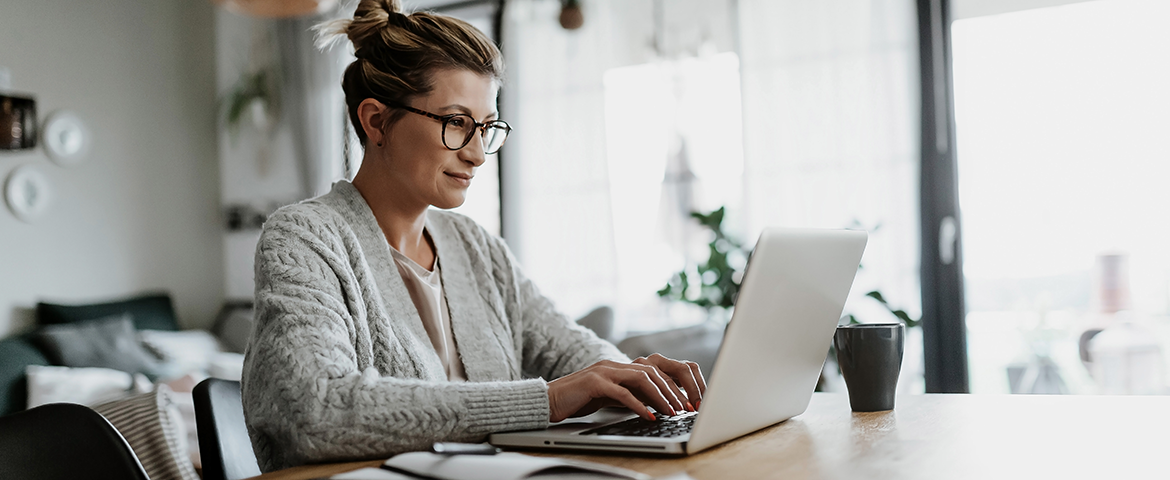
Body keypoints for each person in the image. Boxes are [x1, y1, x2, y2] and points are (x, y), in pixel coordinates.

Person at [241, 0, 707, 472]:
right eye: (457, 123)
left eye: (486, 128)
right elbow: (317, 409)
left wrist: (634, 381)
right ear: (376, 121)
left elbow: (570, 351)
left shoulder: (475, 247)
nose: (479, 155)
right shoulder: (303, 239)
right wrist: (547, 400)